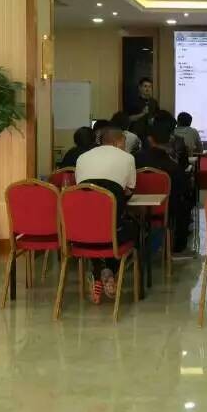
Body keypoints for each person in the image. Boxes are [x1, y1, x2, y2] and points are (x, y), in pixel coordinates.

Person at [74, 127, 138, 304]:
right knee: (130, 228)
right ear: (118, 142)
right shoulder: (127, 158)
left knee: (96, 232)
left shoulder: (82, 157)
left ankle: (98, 273)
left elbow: (80, 190)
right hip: (113, 229)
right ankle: (111, 272)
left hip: (80, 232)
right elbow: (129, 190)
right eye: (124, 142)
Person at [135, 121, 192, 258]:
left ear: (150, 139)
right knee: (185, 203)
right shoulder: (172, 165)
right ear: (170, 139)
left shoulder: (135, 159)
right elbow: (183, 189)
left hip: (136, 208)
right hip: (165, 208)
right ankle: (178, 247)